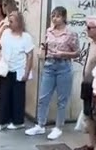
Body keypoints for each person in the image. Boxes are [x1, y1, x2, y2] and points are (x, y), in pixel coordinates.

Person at [26, 7, 79, 140]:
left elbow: (77, 52)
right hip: (49, 65)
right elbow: (45, 45)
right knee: (43, 97)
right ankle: (40, 124)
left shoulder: (70, 34)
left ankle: (58, 127)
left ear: (64, 18)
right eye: (53, 16)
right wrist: (42, 51)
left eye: (58, 16)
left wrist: (63, 54)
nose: (55, 19)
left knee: (62, 99)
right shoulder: (48, 31)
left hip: (63, 66)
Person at [0, 11, 34, 132]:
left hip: (19, 70)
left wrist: (27, 72)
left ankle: (18, 121)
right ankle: (2, 121)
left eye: (11, 21)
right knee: (4, 95)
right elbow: (1, 48)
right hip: (6, 69)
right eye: (8, 21)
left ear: (19, 22)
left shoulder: (26, 37)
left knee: (18, 97)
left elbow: (30, 55)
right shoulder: (5, 33)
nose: (9, 24)